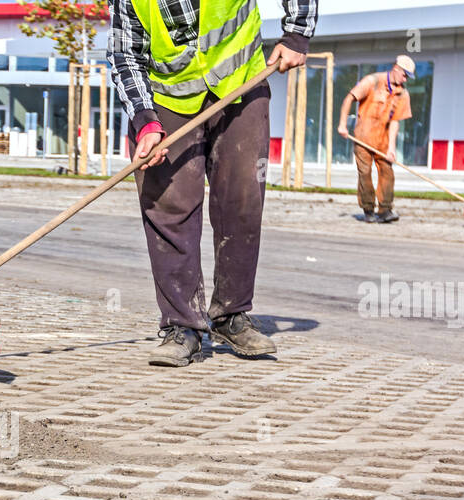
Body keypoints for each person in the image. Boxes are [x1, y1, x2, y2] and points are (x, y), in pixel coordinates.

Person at [109, 0, 318, 369]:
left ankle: (230, 315)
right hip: (167, 99)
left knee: (242, 199)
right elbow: (126, 53)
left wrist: (297, 32)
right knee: (167, 205)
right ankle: (181, 325)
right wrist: (144, 120)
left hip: (242, 81)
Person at [338, 55, 415, 223]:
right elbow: (349, 98)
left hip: (383, 140)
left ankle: (385, 210)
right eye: (404, 75)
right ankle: (368, 210)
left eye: (407, 77)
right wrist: (343, 124)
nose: (405, 79)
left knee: (387, 172)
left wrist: (392, 148)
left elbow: (395, 122)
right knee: (365, 173)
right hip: (362, 138)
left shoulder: (403, 94)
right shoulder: (372, 81)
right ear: (396, 69)